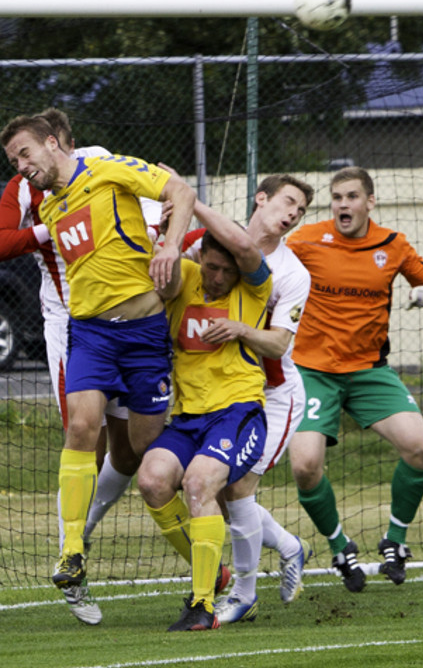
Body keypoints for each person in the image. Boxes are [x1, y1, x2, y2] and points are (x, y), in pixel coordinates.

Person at [0, 113, 196, 605]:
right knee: (82, 429)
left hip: (145, 335)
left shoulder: (108, 170)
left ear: (52, 142)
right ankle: (71, 549)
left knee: (149, 459)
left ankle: (207, 564)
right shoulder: (50, 207)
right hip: (90, 334)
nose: (20, 166)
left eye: (24, 153)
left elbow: (181, 191)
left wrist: (169, 247)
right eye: (13, 161)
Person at [285, 166, 423, 591]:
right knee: (305, 466)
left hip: (368, 371)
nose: (342, 204)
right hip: (312, 370)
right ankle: (339, 546)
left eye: (352, 196)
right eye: (336, 197)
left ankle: (395, 540)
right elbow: (263, 262)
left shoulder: (392, 244)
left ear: (370, 202)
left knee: (420, 447)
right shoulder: (305, 240)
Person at [181, 173, 316, 625]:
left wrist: (240, 329)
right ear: (260, 198)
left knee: (237, 489)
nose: (293, 213)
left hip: (273, 396)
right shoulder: (212, 243)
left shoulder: (292, 274)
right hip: (218, 394)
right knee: (219, 492)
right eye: (288, 201)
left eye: (301, 210)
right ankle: (291, 546)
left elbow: (278, 345)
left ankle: (243, 594)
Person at [137, 197, 272, 632]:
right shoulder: (187, 278)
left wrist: (189, 200)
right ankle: (213, 571)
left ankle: (202, 605)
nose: (217, 277)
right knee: (152, 479)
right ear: (201, 258)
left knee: (198, 483)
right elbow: (161, 266)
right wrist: (170, 230)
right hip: (188, 418)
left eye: (226, 271)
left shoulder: (254, 289)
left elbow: (246, 249)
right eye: (212, 267)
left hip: (238, 411)